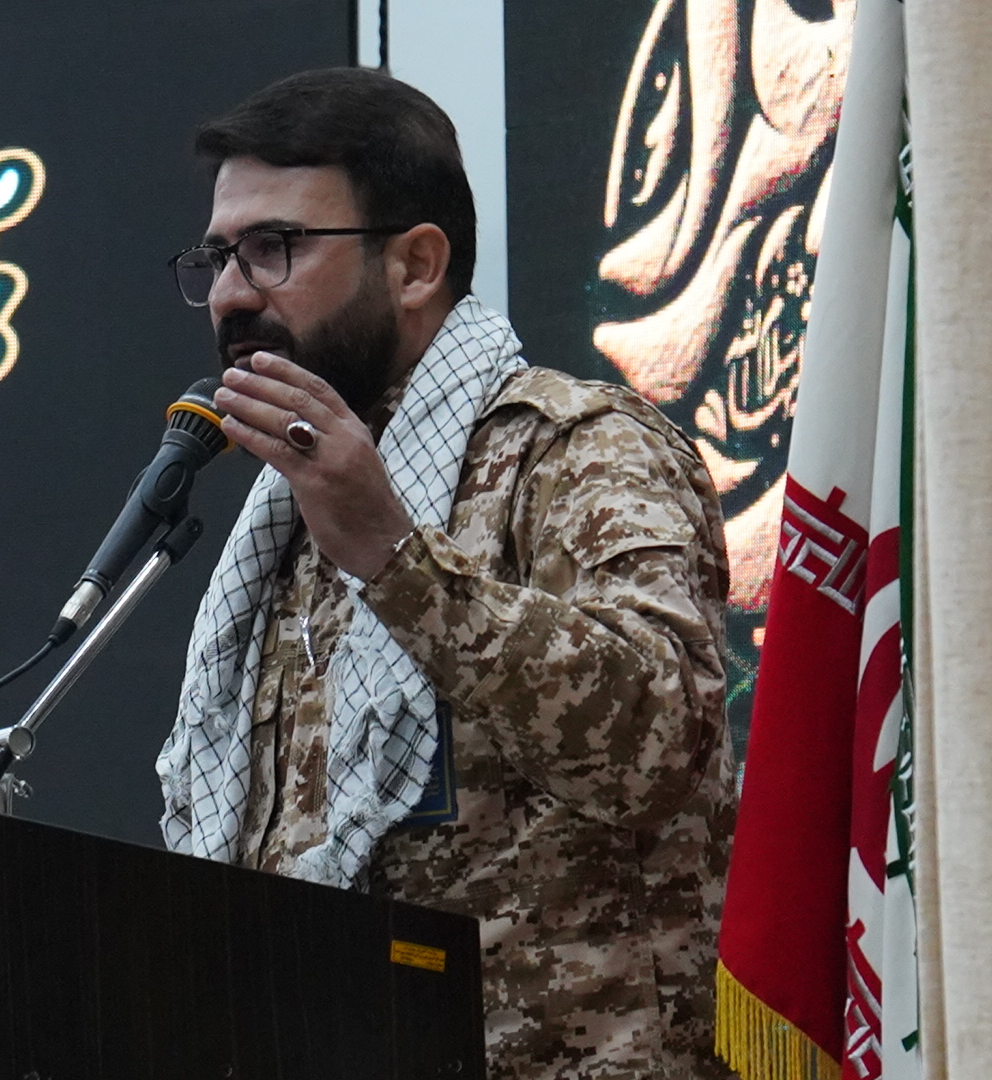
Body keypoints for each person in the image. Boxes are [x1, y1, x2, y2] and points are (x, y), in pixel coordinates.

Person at [155, 68, 737, 1080]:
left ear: (416, 265)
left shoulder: (577, 450)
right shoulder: (281, 522)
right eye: (216, 258)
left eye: (273, 247)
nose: (232, 294)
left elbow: (662, 739)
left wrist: (397, 561)